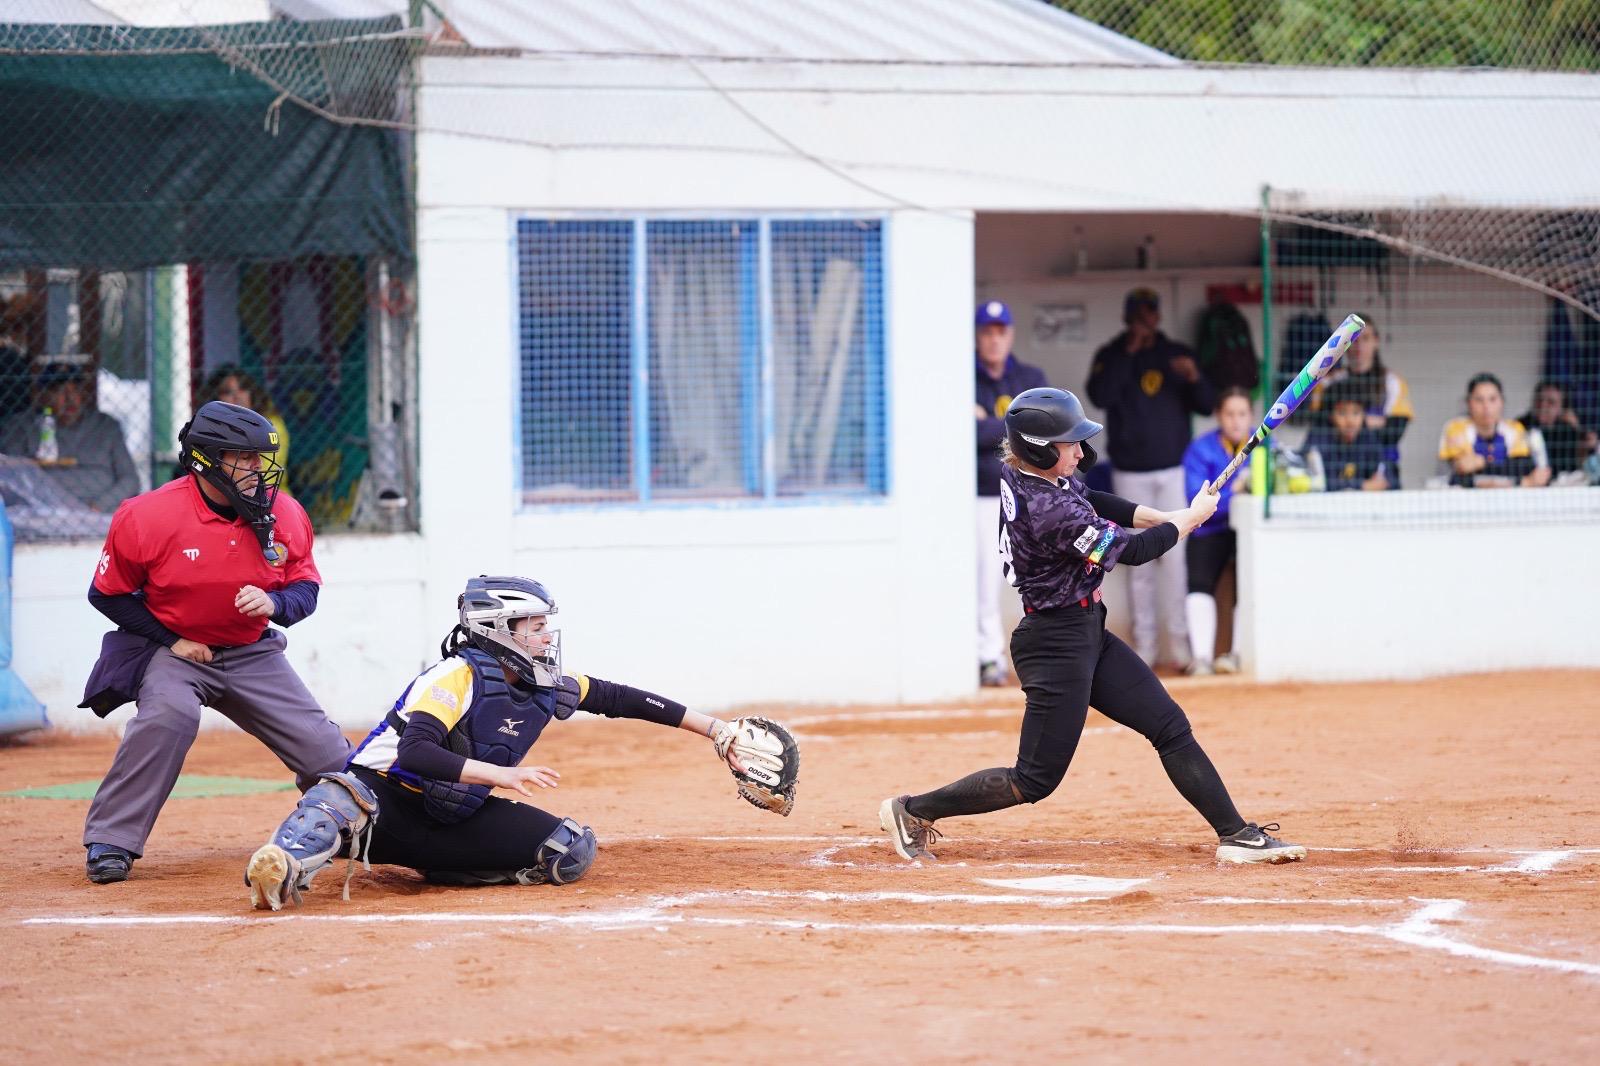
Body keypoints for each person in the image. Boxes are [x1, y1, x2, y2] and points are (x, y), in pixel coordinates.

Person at [880, 388, 1306, 866]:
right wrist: (1188, 522)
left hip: (1086, 631)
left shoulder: (1033, 476)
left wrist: (1168, 516)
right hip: (1055, 645)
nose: (1081, 452)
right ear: (1039, 449)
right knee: (1033, 780)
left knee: (1169, 726)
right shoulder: (1049, 512)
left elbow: (1098, 499)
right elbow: (1135, 552)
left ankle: (1236, 834)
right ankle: (912, 811)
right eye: (1069, 444)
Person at [244, 576, 798, 909]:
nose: (544, 637)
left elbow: (619, 697)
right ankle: (285, 865)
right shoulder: (453, 676)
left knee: (567, 852)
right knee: (338, 795)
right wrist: (501, 776)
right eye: (532, 626)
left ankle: (439, 866)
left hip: (452, 817)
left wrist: (715, 731)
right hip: (384, 803)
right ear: (496, 628)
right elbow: (414, 754)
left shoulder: (542, 683)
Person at [77, 400, 349, 884]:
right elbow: (108, 594)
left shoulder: (283, 511)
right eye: (242, 458)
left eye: (259, 458)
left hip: (252, 650)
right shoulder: (146, 516)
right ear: (204, 459)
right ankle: (111, 841)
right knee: (169, 714)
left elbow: (305, 588)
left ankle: (344, 824)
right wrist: (171, 639)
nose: (256, 470)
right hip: (178, 651)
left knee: (327, 753)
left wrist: (275, 606)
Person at [1085, 288, 1214, 671]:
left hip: (1171, 469)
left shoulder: (1175, 354)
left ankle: (1180, 649)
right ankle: (1144, 650)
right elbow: (1100, 395)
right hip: (1130, 472)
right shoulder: (1112, 355)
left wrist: (1193, 378)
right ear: (1128, 317)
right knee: (1137, 563)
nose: (1146, 319)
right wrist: (1130, 352)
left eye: (1151, 313)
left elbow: (1207, 402)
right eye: (1139, 313)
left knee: (1174, 562)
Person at [974, 300, 1047, 687]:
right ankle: (989, 657)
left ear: (1011, 334)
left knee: (1034, 576)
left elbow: (1042, 433)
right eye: (987, 332)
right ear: (977, 336)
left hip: (1029, 495)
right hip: (983, 496)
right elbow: (966, 435)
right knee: (986, 580)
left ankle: (1039, 655)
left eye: (1000, 332)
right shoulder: (964, 376)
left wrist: (990, 426)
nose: (994, 339)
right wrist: (1012, 432)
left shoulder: (1030, 378)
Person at [1179, 388, 1254, 676]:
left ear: (1251, 417)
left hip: (1246, 532)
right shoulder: (1201, 449)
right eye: (1230, 414)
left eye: (1242, 414)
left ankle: (1237, 655)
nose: (1236, 421)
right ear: (1219, 417)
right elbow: (1194, 500)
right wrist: (1237, 493)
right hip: (1209, 530)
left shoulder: (1264, 448)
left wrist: (1237, 498)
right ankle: (1201, 659)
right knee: (1199, 584)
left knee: (1250, 587)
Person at [0, 361, 140, 513]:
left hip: (99, 510)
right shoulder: (21, 426)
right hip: (44, 511)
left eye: (75, 390)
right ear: (42, 395)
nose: (69, 398)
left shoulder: (105, 425)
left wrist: (99, 506)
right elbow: (12, 478)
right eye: (59, 391)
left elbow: (130, 479)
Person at [1305, 315, 1411, 487]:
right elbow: (1319, 426)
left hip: (1382, 470)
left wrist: (1362, 429)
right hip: (1334, 466)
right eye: (1353, 339)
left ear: (1376, 341)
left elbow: (1394, 433)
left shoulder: (1393, 382)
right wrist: (1374, 422)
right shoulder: (1328, 382)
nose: (1359, 346)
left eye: (1366, 338)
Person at [1438, 372, 1550, 489]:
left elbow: (1522, 468)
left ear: (1502, 402)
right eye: (1479, 400)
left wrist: (1482, 464)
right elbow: (1459, 475)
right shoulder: (1455, 428)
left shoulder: (1514, 429)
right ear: (1468, 403)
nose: (1486, 406)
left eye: (1492, 399)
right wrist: (1521, 482)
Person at [200, 364, 290, 482]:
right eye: (227, 392)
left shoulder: (270, 424)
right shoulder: (207, 428)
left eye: (243, 388)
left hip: (266, 494)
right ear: (215, 397)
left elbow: (266, 477)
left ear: (252, 392)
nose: (237, 396)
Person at [1303, 383, 1390, 492]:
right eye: (1342, 413)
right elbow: (1317, 483)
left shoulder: (1368, 439)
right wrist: (1362, 486)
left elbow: (1386, 477)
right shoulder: (1318, 439)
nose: (1350, 421)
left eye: (1356, 412)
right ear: (1331, 416)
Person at [1517, 380, 1594, 479]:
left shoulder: (1568, 430)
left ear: (1562, 408)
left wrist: (1578, 429)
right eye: (1539, 399)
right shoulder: (1519, 426)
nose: (1543, 405)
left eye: (1551, 402)